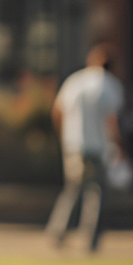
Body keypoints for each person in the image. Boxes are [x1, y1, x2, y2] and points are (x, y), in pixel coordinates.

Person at [45, 43, 124, 252]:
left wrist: (64, 136)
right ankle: (91, 239)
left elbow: (57, 110)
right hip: (99, 147)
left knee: (71, 190)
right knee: (96, 194)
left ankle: (57, 232)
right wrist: (119, 146)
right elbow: (112, 120)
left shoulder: (75, 81)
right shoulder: (111, 85)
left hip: (74, 145)